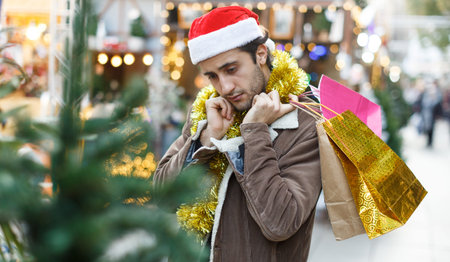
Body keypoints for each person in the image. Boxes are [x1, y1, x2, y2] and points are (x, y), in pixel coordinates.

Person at [154, 6, 321, 262]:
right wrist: (207, 137)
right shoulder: (207, 110)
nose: (225, 87)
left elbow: (281, 223)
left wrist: (254, 133)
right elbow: (162, 194)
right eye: (212, 76)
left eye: (231, 69)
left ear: (261, 54)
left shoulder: (306, 119)